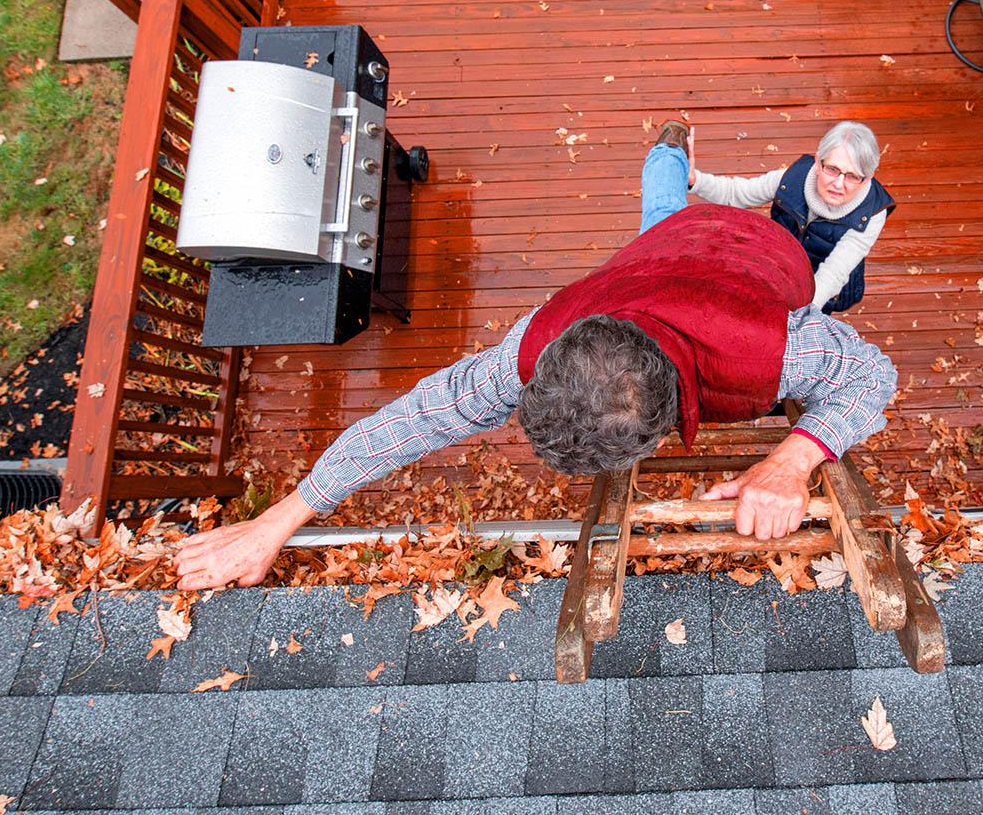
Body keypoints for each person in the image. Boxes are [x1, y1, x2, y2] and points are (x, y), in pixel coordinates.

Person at [174, 122, 897, 591]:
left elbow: (874, 375)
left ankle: (671, 144)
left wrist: (791, 460)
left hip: (765, 259)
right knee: (660, 217)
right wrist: (278, 520)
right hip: (660, 254)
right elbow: (416, 418)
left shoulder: (780, 347)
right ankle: (669, 149)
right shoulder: (538, 339)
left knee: (667, 210)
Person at [685, 119, 894, 314]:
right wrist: (696, 181)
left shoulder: (873, 213)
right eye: (832, 169)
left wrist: (799, 316)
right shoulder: (791, 178)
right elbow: (735, 193)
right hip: (782, 270)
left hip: (825, 291)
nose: (839, 184)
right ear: (817, 162)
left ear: (867, 179)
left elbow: (833, 274)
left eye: (852, 176)